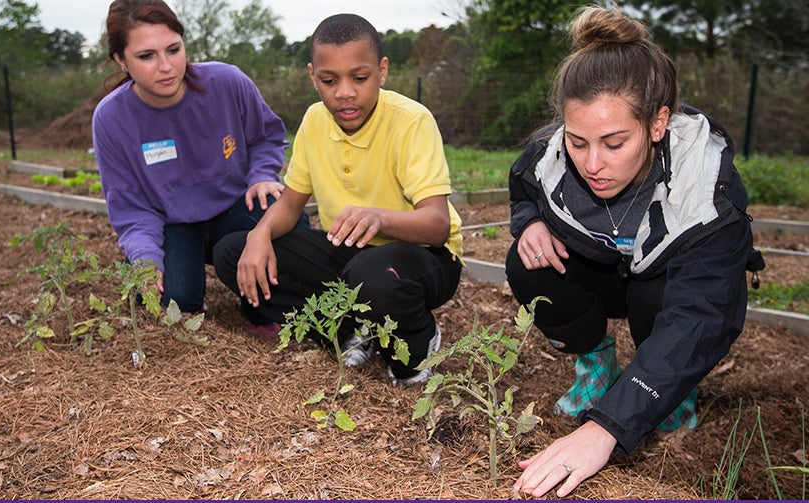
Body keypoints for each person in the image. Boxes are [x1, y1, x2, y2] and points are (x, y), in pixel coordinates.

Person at [506, 5, 764, 498]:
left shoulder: (708, 190)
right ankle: (596, 364)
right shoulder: (550, 153)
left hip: (663, 287)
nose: (592, 163)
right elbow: (524, 186)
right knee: (527, 260)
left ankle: (668, 388)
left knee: (664, 299)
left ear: (658, 123)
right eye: (578, 142)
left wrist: (605, 428)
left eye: (614, 142)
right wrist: (530, 222)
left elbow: (700, 313)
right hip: (599, 271)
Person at [212, 13, 464, 385]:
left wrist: (379, 218)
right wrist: (259, 235)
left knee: (372, 276)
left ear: (382, 71)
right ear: (314, 76)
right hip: (350, 255)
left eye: (359, 78)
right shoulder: (315, 121)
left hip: (422, 257)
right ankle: (348, 331)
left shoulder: (411, 121)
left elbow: (437, 226)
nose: (344, 92)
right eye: (330, 80)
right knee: (232, 253)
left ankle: (420, 339)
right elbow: (290, 203)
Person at [91, 0, 306, 324]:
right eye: (147, 56)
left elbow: (266, 136)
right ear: (121, 60)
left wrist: (261, 174)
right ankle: (170, 274)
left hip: (237, 207)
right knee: (173, 302)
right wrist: (146, 259)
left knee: (284, 215)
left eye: (173, 49)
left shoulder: (227, 82)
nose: (166, 66)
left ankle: (261, 310)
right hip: (172, 223)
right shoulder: (111, 119)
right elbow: (130, 207)